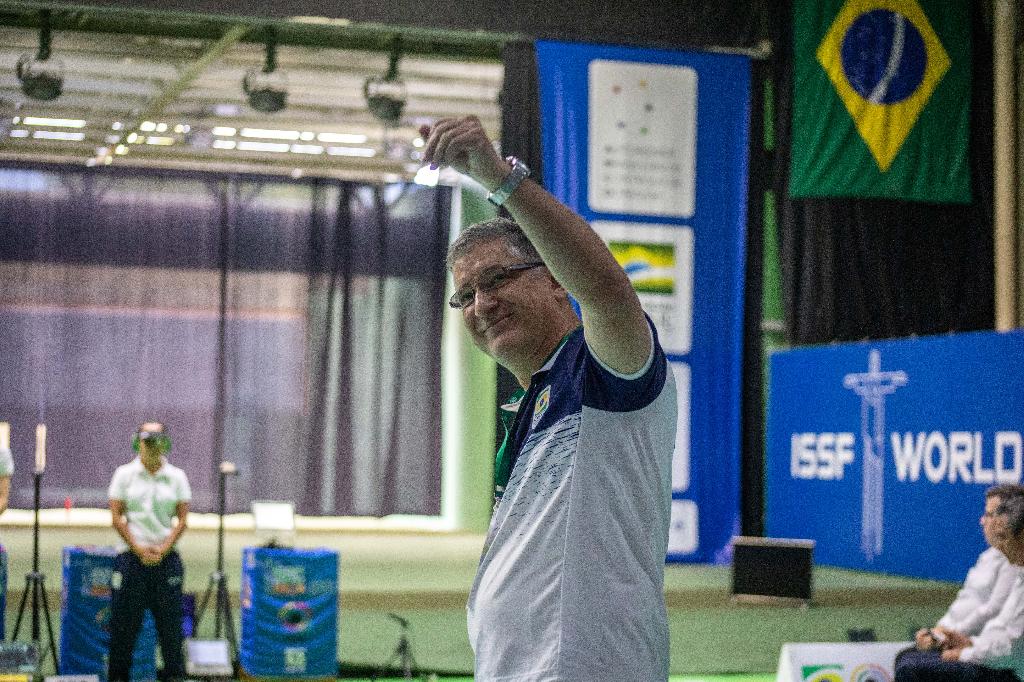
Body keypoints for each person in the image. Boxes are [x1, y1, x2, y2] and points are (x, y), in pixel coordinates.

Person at [423, 116, 677, 681]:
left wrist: (500, 179)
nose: (482, 304)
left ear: (557, 279)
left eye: (497, 279)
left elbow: (606, 289)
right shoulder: (529, 407)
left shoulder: (601, 373)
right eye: (465, 295)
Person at [896, 494, 1024, 681]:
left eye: (1005, 536)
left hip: (1004, 668)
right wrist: (963, 641)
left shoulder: (1012, 568)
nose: (1002, 545)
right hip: (988, 653)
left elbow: (1011, 649)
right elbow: (1003, 635)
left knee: (910, 668)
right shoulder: (1011, 569)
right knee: (906, 659)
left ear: (1021, 535)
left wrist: (964, 651)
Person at [108, 421, 191, 682]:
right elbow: (117, 517)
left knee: (171, 633)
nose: (153, 446)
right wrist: (139, 549)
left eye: (158, 441)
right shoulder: (124, 474)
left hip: (166, 560)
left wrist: (163, 549)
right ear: (138, 443)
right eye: (147, 440)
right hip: (131, 559)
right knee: (123, 631)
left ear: (166, 443)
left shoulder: (177, 476)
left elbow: (182, 520)